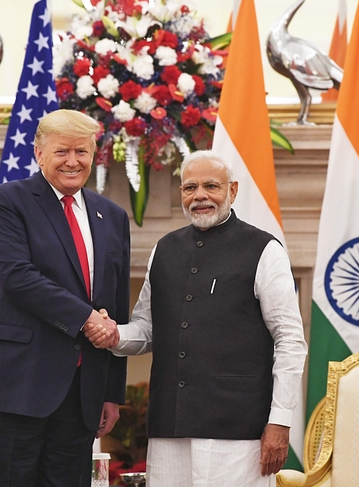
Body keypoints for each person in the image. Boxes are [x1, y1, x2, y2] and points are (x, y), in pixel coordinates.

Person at [86, 150, 307, 487]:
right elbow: (147, 328)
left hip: (237, 430)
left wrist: (279, 421)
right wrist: (115, 335)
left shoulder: (264, 249)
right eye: (190, 188)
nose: (200, 196)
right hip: (169, 427)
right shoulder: (165, 248)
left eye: (211, 186)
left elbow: (290, 341)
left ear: (232, 191)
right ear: (181, 194)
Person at [0, 109, 130, 487]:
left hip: (81, 392)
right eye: (61, 152)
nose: (73, 161)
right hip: (14, 384)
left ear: (94, 154)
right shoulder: (6, 202)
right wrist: (88, 319)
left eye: (82, 152)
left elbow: (115, 306)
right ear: (38, 153)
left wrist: (110, 392)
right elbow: (17, 278)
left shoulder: (112, 216)